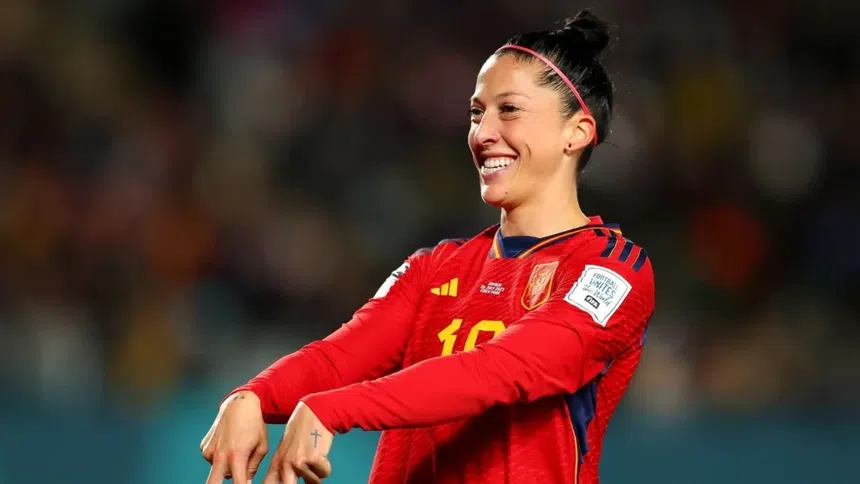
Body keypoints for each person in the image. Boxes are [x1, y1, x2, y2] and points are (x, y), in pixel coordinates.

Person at [201, 10, 654, 484]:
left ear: (577, 132)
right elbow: (337, 358)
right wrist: (251, 397)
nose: (482, 133)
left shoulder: (612, 270)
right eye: (477, 113)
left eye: (509, 110)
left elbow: (502, 370)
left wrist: (333, 409)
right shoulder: (435, 268)